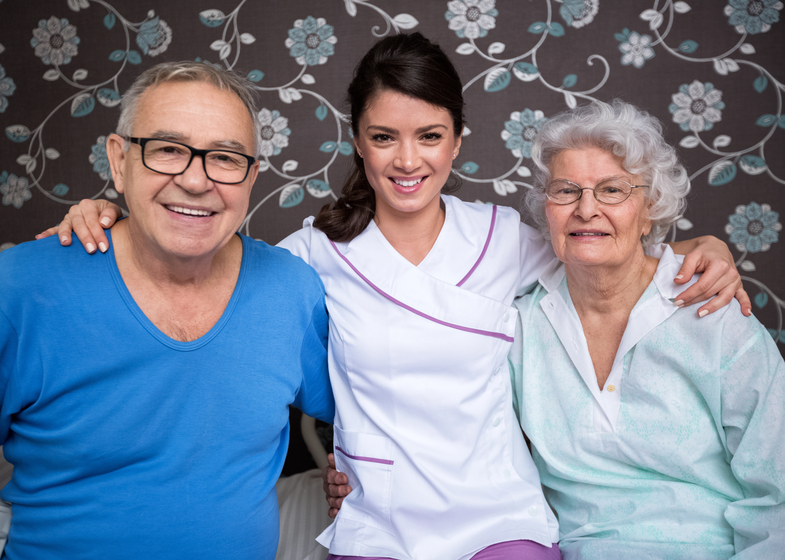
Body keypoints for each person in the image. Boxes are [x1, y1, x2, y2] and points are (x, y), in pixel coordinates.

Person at [42, 36, 748, 560]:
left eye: (429, 137)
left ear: (456, 142)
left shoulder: (502, 236)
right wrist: (110, 216)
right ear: (358, 142)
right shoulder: (314, 254)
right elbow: (198, 261)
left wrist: (700, 249)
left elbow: (603, 251)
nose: (407, 161)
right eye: (385, 138)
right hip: (379, 514)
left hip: (497, 509)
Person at [327, 99, 785, 558]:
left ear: (650, 210)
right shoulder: (519, 326)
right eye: (566, 191)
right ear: (547, 211)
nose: (586, 209)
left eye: (612, 191)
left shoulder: (714, 315)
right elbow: (449, 428)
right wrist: (365, 474)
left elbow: (777, 490)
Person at [0, 61, 334, 560]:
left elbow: (380, 409)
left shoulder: (290, 290)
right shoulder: (21, 289)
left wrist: (362, 480)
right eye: (168, 150)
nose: (196, 181)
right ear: (119, 160)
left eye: (225, 158)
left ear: (252, 176)